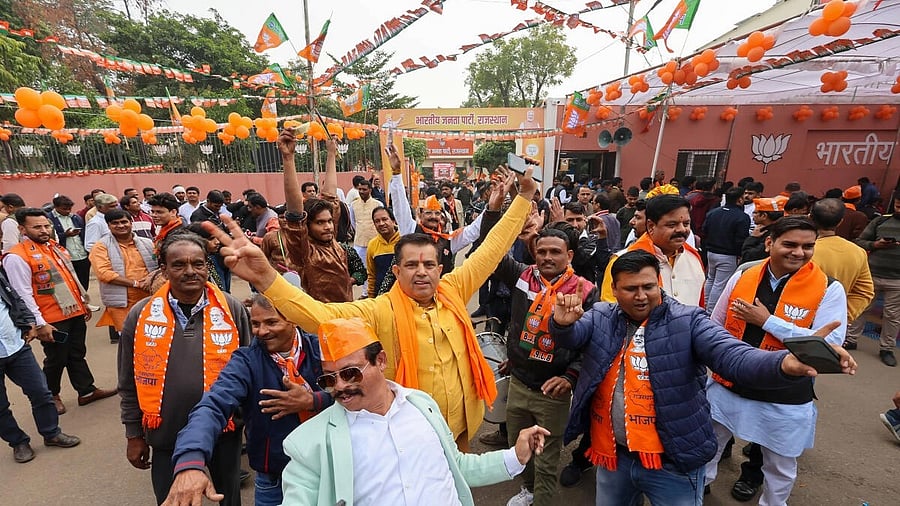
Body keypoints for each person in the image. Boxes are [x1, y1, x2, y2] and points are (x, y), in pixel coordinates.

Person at [205, 162, 540, 449]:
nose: (421, 272)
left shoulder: (454, 287)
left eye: (428, 265)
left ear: (440, 270)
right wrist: (267, 278)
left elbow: (493, 248)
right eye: (411, 265)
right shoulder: (379, 310)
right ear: (396, 271)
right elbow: (318, 316)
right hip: (409, 433)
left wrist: (523, 198)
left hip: (462, 427)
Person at [550, 250, 855, 506]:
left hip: (673, 461)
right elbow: (574, 336)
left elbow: (733, 356)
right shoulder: (602, 315)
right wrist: (561, 325)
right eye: (630, 289)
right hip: (613, 456)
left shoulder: (689, 320)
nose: (641, 296)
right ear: (615, 290)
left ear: (659, 284)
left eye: (648, 286)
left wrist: (783, 363)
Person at [280, 317, 550, 506]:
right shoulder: (310, 443)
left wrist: (516, 455)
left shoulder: (421, 404)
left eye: (350, 373)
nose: (339, 387)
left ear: (381, 361)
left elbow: (457, 467)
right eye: (329, 379)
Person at [704, 217, 850, 505]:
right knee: (708, 448)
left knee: (780, 466)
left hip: (785, 393)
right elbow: (716, 324)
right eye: (790, 244)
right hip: (729, 380)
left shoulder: (829, 288)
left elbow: (829, 346)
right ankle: (695, 491)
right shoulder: (744, 273)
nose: (799, 252)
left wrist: (769, 322)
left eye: (808, 246)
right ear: (769, 243)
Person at [118, 232, 251, 506]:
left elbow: (249, 372)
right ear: (164, 269)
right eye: (179, 265)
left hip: (223, 432)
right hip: (166, 433)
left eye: (198, 263)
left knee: (228, 498)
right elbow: (128, 380)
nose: (190, 271)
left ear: (207, 266)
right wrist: (134, 434)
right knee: (173, 500)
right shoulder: (141, 315)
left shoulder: (232, 310)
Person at [160, 295, 332, 506]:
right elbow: (213, 405)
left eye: (271, 322)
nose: (261, 331)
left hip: (327, 472)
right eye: (255, 324)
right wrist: (190, 461)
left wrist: (314, 401)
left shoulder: (323, 349)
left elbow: (361, 392)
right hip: (273, 480)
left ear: (294, 318)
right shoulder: (245, 361)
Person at [491, 227, 599, 506]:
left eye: (555, 252)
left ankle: (542, 501)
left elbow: (593, 344)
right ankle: (528, 490)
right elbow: (490, 250)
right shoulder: (521, 276)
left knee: (547, 459)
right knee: (519, 447)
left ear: (570, 255)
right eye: (541, 251)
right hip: (518, 381)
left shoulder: (584, 290)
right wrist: (498, 214)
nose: (547, 257)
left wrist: (571, 376)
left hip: (553, 391)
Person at [3, 208, 117, 415]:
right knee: (56, 358)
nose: (44, 230)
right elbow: (23, 294)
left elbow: (69, 279)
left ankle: (86, 390)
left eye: (46, 225)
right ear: (22, 229)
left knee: (76, 353)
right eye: (37, 227)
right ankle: (51, 395)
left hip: (73, 312)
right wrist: (39, 323)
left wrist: (83, 304)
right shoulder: (16, 257)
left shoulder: (54, 247)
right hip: (51, 319)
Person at [0, 265, 81, 463]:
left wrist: (28, 321)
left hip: (16, 345)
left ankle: (51, 433)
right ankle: (18, 442)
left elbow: (14, 298)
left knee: (41, 392)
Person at [278, 131, 361, 302]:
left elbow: (330, 195)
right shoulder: (305, 250)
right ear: (306, 226)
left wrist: (331, 153)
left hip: (345, 315)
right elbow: (295, 213)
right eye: (320, 223)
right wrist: (288, 159)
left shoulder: (333, 242)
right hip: (319, 322)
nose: (328, 226)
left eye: (330, 221)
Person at [600, 195, 705, 308]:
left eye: (686, 224)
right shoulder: (621, 261)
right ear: (651, 226)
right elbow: (610, 311)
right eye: (672, 225)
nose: (681, 229)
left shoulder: (694, 258)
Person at [89, 209, 157, 343]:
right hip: (121, 304)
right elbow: (104, 273)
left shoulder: (147, 243)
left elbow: (158, 266)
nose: (120, 226)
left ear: (131, 222)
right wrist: (136, 284)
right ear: (108, 225)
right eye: (115, 223)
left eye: (124, 222)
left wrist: (151, 279)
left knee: (152, 338)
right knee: (130, 341)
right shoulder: (101, 247)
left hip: (149, 298)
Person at [850, 197, 900, 366]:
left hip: (897, 279)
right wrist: (876, 244)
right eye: (897, 204)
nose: (898, 207)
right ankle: (851, 339)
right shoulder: (881, 221)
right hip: (871, 274)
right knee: (862, 307)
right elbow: (860, 241)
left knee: (892, 315)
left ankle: (887, 348)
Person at [810, 198, 874, 324]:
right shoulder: (858, 252)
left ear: (810, 217)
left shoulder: (800, 251)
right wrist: (841, 318)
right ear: (840, 222)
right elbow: (865, 291)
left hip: (796, 318)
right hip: (832, 325)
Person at [703, 187, 751, 312]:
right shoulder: (742, 217)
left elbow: (704, 230)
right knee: (720, 284)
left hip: (711, 252)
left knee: (710, 279)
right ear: (740, 199)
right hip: (728, 255)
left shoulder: (713, 212)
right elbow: (740, 239)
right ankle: (710, 311)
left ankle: (704, 305)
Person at [48, 195, 90, 289]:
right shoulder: (49, 219)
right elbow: (49, 238)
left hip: (81, 255)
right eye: (64, 209)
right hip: (65, 257)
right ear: (56, 207)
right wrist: (65, 235)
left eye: (69, 209)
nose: (67, 211)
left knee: (84, 281)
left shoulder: (75, 217)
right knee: (71, 283)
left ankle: (84, 300)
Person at [349, 179, 383, 290]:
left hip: (375, 240)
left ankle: (377, 289)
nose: (361, 191)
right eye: (360, 189)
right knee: (362, 268)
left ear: (370, 190)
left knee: (376, 267)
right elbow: (353, 222)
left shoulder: (378, 204)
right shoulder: (353, 205)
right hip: (359, 242)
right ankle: (365, 292)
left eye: (364, 189)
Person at [365, 206, 399, 298]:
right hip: (381, 296)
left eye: (384, 219)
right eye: (377, 221)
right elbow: (371, 275)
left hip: (401, 294)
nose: (381, 223)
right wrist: (371, 297)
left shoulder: (403, 240)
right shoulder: (372, 244)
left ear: (393, 221)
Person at [741, 196, 787, 263]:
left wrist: (752, 237)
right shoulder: (779, 229)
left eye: (755, 213)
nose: (753, 215)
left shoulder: (772, 235)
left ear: (764, 216)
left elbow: (748, 256)